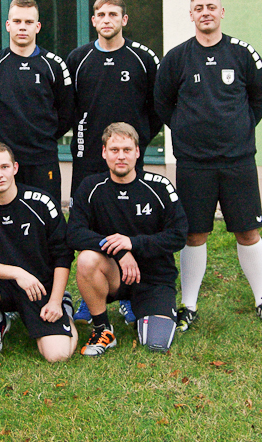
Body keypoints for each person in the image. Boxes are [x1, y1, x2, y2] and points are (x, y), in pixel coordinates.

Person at [154, 0, 262, 331]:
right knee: (194, 234)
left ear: (222, 12)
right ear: (191, 15)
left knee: (248, 231)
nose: (205, 13)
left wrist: (240, 127)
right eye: (199, 8)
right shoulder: (177, 58)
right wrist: (186, 129)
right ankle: (189, 305)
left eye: (211, 7)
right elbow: (162, 103)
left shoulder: (242, 53)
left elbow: (261, 96)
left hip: (237, 160)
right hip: (193, 163)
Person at [65, 0, 162, 325]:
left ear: (124, 20)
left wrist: (139, 140)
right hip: (87, 158)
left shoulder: (142, 58)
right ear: (93, 20)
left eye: (113, 14)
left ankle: (130, 294)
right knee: (88, 224)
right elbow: (67, 107)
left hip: (126, 159)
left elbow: (157, 105)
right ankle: (90, 292)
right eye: (101, 15)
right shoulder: (78, 59)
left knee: (130, 220)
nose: (107, 20)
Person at [67, 123, 186, 356]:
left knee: (155, 344)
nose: (121, 156)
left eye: (127, 150)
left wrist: (133, 243)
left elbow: (178, 234)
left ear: (137, 152)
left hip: (154, 279)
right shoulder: (91, 186)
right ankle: (103, 329)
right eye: (114, 150)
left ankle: (145, 309)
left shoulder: (159, 186)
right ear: (104, 152)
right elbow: (74, 233)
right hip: (115, 274)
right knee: (87, 259)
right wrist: (120, 251)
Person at [0, 142, 77, 363]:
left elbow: (63, 255)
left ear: (15, 168)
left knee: (58, 355)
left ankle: (64, 308)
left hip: (39, 288)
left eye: (4, 167)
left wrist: (54, 301)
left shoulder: (42, 203)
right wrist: (17, 273)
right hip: (1, 287)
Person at [0, 0, 72, 203]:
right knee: (3, 216)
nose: (22, 27)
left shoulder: (54, 66)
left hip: (42, 159)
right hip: (3, 162)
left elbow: (66, 113)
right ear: (8, 25)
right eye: (17, 21)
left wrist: (44, 136)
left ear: (37, 27)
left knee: (46, 216)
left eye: (28, 22)